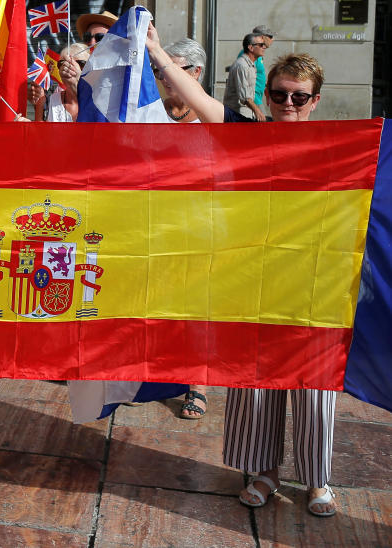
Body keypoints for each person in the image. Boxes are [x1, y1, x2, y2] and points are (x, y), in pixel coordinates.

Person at [146, 26, 338, 517]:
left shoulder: (339, 147)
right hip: (254, 279)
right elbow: (201, 99)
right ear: (267, 95)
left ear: (315, 100)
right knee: (254, 380)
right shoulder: (245, 134)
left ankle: (317, 479)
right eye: (279, 93)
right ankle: (263, 472)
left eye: (299, 96)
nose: (288, 102)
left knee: (316, 384)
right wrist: (155, 52)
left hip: (316, 283)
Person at [148, 36, 210, 419]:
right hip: (156, 223)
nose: (164, 78)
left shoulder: (213, 116)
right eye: (159, 71)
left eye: (173, 70)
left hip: (199, 226)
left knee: (196, 305)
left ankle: (197, 382)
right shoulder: (150, 113)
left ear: (195, 72)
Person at [30, 42, 88, 122]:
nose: (68, 67)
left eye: (80, 64)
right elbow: (38, 133)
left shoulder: (101, 102)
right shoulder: (46, 103)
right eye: (62, 63)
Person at [222, 34, 268, 121]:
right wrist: (257, 111)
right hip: (237, 115)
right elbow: (245, 97)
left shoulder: (251, 65)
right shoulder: (242, 65)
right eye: (261, 45)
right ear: (251, 48)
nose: (264, 47)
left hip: (246, 114)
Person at [251, 25, 274, 110]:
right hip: (252, 100)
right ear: (262, 38)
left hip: (257, 99)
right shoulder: (251, 53)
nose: (273, 39)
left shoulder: (258, 54)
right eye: (270, 37)